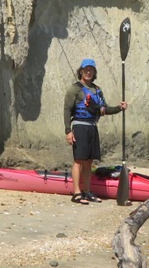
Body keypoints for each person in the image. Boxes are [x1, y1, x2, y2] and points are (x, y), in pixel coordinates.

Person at [63, 58, 127, 204]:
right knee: (79, 160)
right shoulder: (75, 89)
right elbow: (67, 110)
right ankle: (77, 193)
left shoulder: (97, 90)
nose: (88, 72)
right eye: (86, 69)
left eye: (91, 69)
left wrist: (119, 108)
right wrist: (68, 131)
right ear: (81, 71)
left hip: (92, 127)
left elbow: (104, 109)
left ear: (94, 72)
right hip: (79, 126)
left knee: (88, 162)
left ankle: (87, 191)